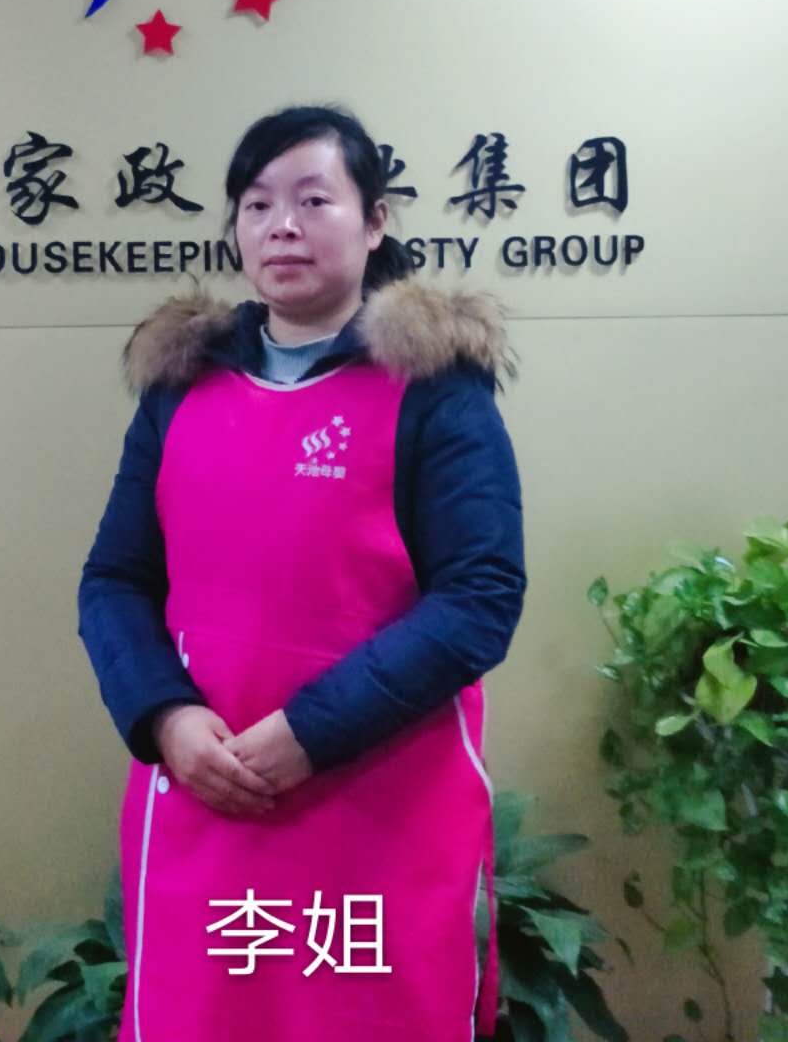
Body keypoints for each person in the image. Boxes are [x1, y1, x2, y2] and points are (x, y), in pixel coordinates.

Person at [77, 103, 526, 1042]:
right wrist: (165, 718)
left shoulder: (435, 387)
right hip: (204, 794)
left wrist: (311, 732)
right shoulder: (181, 385)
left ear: (374, 222)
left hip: (380, 801)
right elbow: (115, 581)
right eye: (257, 204)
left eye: (314, 200)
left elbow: (479, 596)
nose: (281, 225)